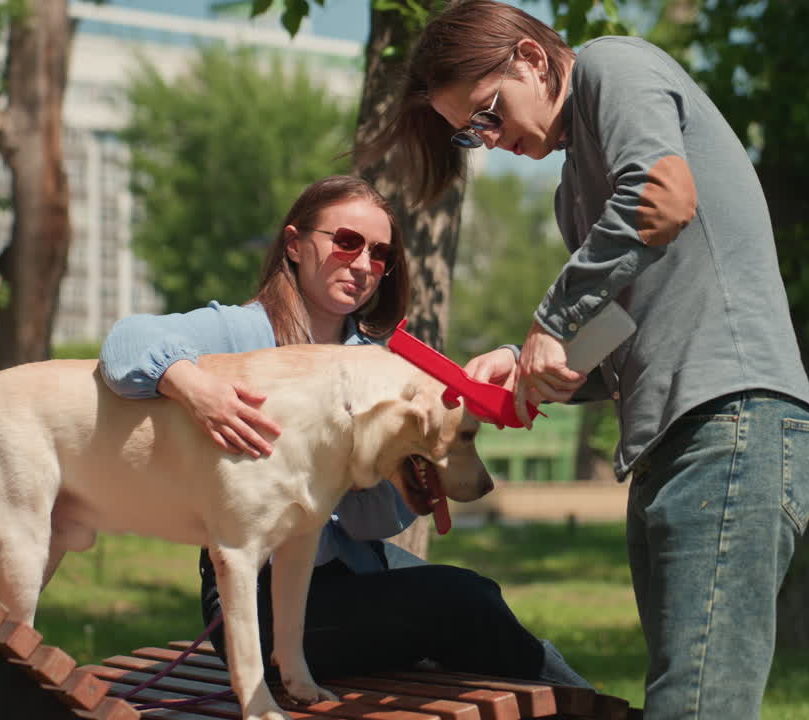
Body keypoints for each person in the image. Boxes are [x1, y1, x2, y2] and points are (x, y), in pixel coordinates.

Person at [356, 3, 809, 717]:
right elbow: (618, 340)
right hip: (670, 443)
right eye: (469, 133)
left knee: (695, 703)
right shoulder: (572, 195)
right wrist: (524, 370)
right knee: (685, 689)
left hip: (733, 423)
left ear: (532, 60)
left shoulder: (614, 65)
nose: (488, 139)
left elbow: (664, 195)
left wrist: (551, 317)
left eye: (487, 113)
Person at [98, 174, 587, 688]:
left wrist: (398, 470)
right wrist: (199, 391)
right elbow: (126, 343)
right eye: (346, 242)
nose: (362, 265)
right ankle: (593, 707)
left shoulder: (379, 364)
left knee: (479, 594)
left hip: (352, 566)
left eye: (379, 254)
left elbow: (373, 524)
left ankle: (588, 703)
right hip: (256, 600)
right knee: (458, 603)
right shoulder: (244, 333)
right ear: (294, 243)